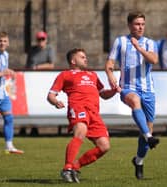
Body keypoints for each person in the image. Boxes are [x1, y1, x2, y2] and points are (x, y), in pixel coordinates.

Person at [47, 48, 118, 183]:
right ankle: (67, 168)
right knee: (80, 132)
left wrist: (114, 91)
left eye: (85, 56)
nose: (86, 59)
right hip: (79, 108)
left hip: (94, 114)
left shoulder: (93, 75)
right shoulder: (65, 75)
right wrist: (55, 102)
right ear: (73, 61)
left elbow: (103, 94)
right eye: (82, 57)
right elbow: (50, 95)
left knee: (104, 146)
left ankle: (75, 167)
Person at [105, 11, 160, 180]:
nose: (140, 27)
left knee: (146, 130)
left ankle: (139, 161)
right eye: (137, 24)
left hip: (148, 90)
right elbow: (110, 64)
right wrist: (111, 77)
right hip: (128, 87)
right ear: (129, 25)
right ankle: (150, 137)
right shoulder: (120, 41)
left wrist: (139, 48)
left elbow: (153, 60)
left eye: (142, 24)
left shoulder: (150, 43)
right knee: (134, 101)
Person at [0, 31, 24, 154]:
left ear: (8, 43)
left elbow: (2, 69)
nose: (2, 43)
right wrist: (2, 74)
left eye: (4, 41)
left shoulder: (6, 54)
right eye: (0, 41)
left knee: (9, 117)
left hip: (2, 92)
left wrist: (9, 71)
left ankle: (9, 146)